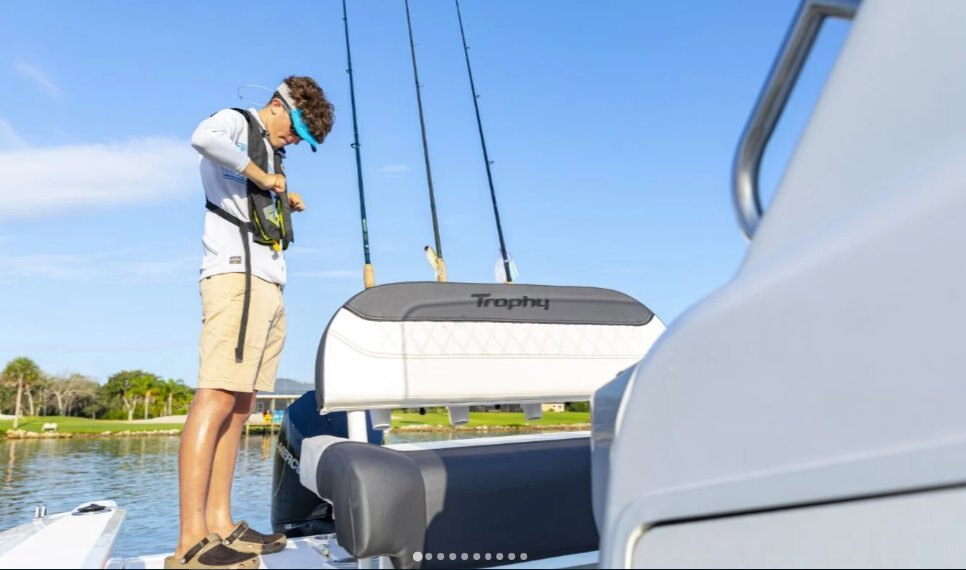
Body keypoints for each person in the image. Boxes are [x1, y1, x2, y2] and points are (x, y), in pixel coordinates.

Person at [168, 76, 334, 570]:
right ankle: (190, 542)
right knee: (217, 395)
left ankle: (221, 523)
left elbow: (251, 196)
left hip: (267, 285)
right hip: (236, 277)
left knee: (241, 406)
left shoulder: (271, 152)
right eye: (296, 131)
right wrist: (264, 178)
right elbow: (203, 138)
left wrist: (284, 197)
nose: (294, 142)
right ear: (280, 106)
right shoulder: (237, 122)